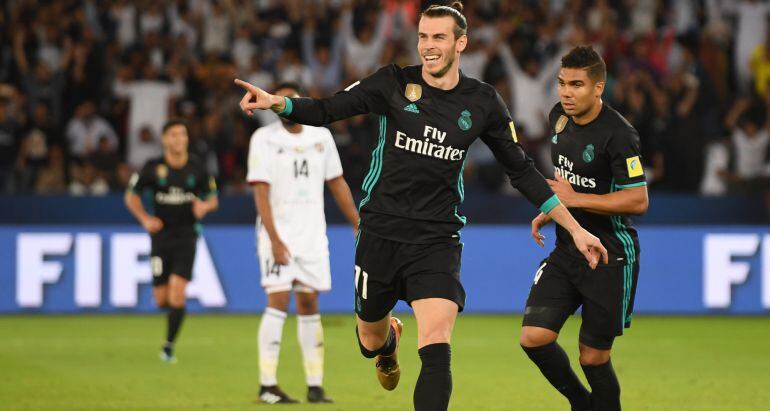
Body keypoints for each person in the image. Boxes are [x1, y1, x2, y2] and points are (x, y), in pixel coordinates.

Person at [235, 3, 607, 410]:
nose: (428, 46)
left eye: (438, 37)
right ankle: (389, 340)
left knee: (436, 346)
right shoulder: (392, 83)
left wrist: (574, 227)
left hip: (436, 239)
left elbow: (523, 171)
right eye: (423, 37)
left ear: (460, 43)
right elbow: (327, 110)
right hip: (378, 233)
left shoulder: (483, 103)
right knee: (369, 340)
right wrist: (278, 104)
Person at [521, 46, 649, 411]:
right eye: (561, 83)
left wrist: (574, 199)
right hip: (568, 247)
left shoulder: (619, 134)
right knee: (534, 337)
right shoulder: (558, 118)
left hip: (610, 254)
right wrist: (555, 210)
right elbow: (566, 183)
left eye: (576, 84)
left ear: (598, 88)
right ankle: (581, 403)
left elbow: (638, 201)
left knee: (592, 358)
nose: (566, 92)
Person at [246, 82, 359, 404]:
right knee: (278, 299)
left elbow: (336, 182)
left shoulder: (321, 136)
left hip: (312, 235)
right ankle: (267, 385)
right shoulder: (263, 139)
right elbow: (261, 193)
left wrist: (356, 222)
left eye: (292, 99)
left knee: (309, 304)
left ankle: (315, 385)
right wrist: (274, 239)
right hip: (277, 234)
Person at [125, 119, 218, 363]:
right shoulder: (153, 167)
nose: (179, 139)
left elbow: (213, 198)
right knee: (161, 299)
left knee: (178, 293)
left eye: (183, 134)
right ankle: (171, 325)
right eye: (174, 135)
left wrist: (204, 206)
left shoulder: (198, 167)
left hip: (187, 235)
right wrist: (145, 219)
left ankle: (168, 347)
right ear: (165, 140)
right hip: (161, 236)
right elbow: (131, 195)